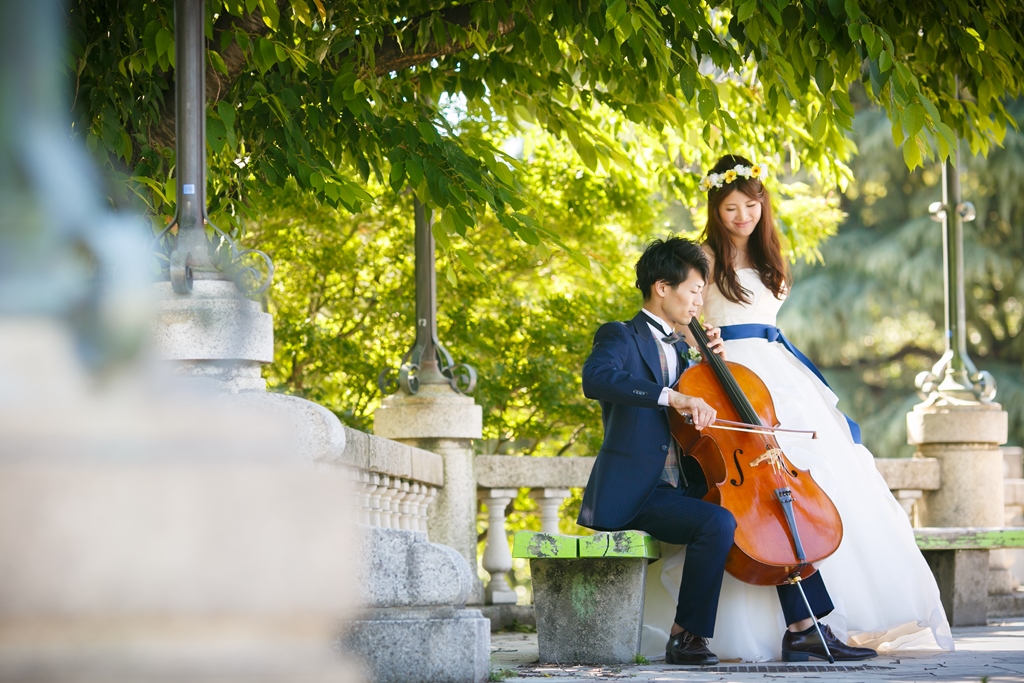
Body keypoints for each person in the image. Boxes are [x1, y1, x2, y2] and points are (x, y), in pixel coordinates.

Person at [639, 155, 954, 662]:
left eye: (750, 206)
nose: (742, 216)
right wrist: (701, 347)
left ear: (763, 204)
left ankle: (816, 623)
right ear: (715, 209)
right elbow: (681, 316)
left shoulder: (771, 253)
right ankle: (794, 627)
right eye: (730, 208)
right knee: (756, 492)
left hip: (778, 375)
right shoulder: (703, 256)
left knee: (809, 481)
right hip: (730, 373)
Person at [578, 236, 879, 665]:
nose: (700, 301)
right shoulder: (620, 336)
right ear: (662, 288)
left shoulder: (686, 349)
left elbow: (706, 419)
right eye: (694, 290)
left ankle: (806, 630)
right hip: (640, 490)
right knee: (717, 522)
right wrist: (672, 396)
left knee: (774, 507)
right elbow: (597, 379)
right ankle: (687, 637)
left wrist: (709, 364)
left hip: (689, 484)